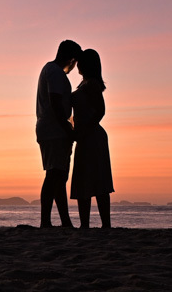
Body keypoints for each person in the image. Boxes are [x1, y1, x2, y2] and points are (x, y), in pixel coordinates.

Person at [35, 39, 82, 228]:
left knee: (59, 176)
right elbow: (55, 103)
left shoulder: (52, 71)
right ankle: (46, 221)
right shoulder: (55, 73)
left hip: (52, 130)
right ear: (70, 58)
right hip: (53, 131)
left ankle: (64, 221)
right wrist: (66, 128)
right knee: (54, 175)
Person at [70, 48, 114, 228]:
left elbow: (100, 111)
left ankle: (105, 224)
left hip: (92, 136)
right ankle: (85, 224)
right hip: (85, 135)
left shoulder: (92, 85)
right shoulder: (84, 84)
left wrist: (84, 129)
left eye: (80, 62)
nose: (77, 65)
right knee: (84, 179)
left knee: (98, 178)